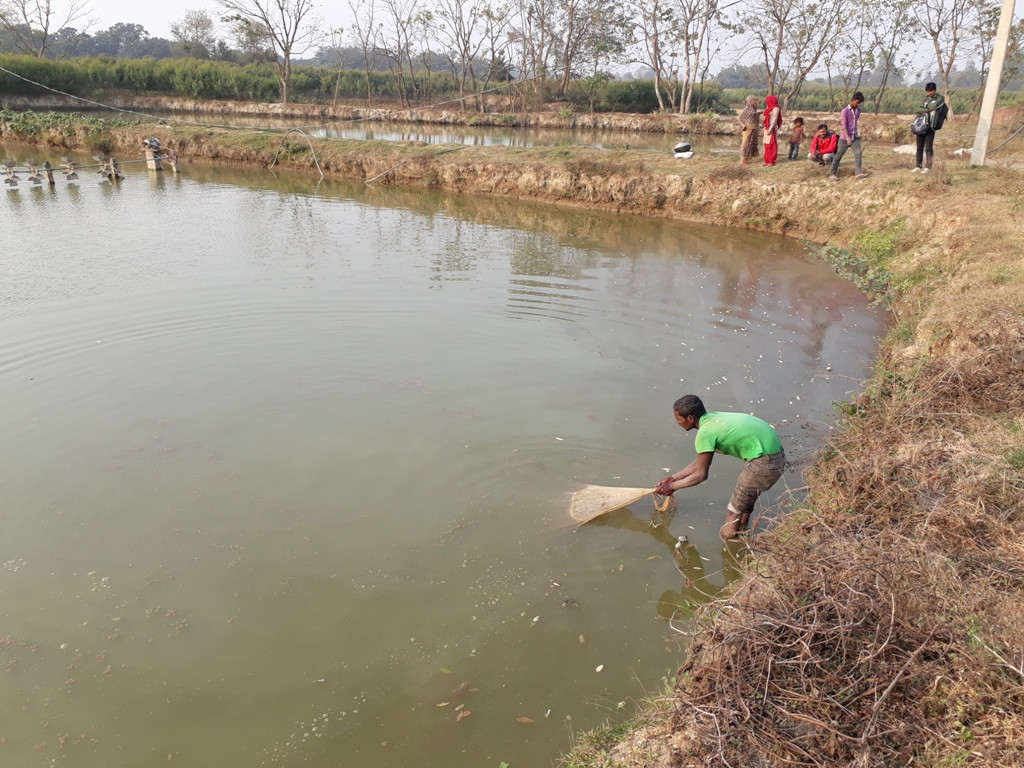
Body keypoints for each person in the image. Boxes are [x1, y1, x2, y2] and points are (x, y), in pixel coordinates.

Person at [655, 395, 787, 540]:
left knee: (732, 513)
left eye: (678, 418)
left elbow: (701, 474)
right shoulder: (713, 419)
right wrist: (673, 478)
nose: (677, 422)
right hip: (773, 453)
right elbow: (700, 462)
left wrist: (673, 487)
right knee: (744, 503)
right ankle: (743, 531)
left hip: (764, 462)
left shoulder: (705, 433)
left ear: (690, 418)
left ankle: (729, 550)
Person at [829, 91, 868, 181]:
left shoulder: (859, 110)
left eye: (860, 103)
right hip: (845, 138)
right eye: (857, 102)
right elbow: (844, 126)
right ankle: (832, 174)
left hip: (855, 137)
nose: (858, 104)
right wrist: (847, 138)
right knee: (839, 155)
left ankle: (858, 173)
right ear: (853, 100)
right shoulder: (845, 111)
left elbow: (854, 123)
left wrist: (856, 134)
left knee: (858, 154)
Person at [912, 82, 945, 174]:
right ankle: (918, 166)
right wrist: (927, 109)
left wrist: (925, 108)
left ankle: (928, 167)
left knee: (928, 148)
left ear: (935, 90)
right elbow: (918, 109)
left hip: (931, 126)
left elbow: (934, 106)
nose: (929, 93)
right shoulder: (926, 99)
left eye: (931, 91)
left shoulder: (940, 98)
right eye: (928, 91)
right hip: (922, 126)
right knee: (919, 147)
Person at [737, 95, 760, 165]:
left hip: (754, 128)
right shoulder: (747, 109)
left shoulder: (753, 109)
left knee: (751, 144)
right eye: (753, 100)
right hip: (748, 128)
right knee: (746, 144)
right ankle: (742, 161)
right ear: (749, 101)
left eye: (754, 100)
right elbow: (739, 118)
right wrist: (743, 125)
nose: (754, 102)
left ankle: (746, 159)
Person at [762, 95, 782, 165]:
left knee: (772, 144)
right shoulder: (769, 108)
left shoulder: (776, 108)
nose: (766, 102)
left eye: (767, 101)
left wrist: (770, 129)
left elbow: (774, 119)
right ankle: (767, 160)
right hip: (767, 127)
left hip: (772, 128)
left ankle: (772, 161)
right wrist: (764, 129)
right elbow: (767, 120)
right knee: (766, 144)